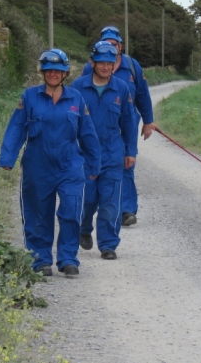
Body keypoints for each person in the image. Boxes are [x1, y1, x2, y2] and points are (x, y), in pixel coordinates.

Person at [0, 49, 100, 277]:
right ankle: (40, 259)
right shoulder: (29, 96)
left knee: (72, 211)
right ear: (42, 72)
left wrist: (95, 163)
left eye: (58, 71)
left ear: (66, 74)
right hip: (37, 165)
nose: (53, 74)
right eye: (48, 70)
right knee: (38, 213)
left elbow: (88, 133)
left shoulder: (76, 98)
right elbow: (16, 127)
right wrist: (8, 158)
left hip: (70, 164)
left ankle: (67, 259)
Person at [81, 25, 156, 227]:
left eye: (114, 45)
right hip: (99, 126)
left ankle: (127, 210)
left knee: (126, 164)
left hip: (126, 124)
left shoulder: (132, 66)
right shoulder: (90, 68)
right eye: (105, 44)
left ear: (120, 46)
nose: (110, 48)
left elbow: (142, 94)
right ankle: (97, 210)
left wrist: (148, 121)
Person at [72, 41, 138, 260]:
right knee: (87, 200)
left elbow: (128, 122)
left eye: (110, 63)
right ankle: (83, 229)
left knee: (110, 202)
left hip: (112, 154)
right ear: (92, 62)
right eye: (101, 63)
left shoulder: (122, 88)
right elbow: (68, 121)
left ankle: (108, 244)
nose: (106, 67)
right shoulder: (78, 87)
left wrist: (131, 151)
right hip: (85, 156)